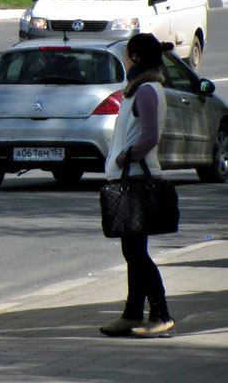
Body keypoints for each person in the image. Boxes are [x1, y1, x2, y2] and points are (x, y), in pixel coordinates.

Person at [99, 32, 175, 338]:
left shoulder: (145, 89)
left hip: (135, 178)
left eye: (128, 54)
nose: (125, 59)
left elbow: (149, 137)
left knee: (136, 253)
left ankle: (161, 314)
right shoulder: (139, 89)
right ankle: (132, 313)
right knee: (133, 250)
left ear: (138, 58)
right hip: (129, 176)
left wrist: (124, 158)